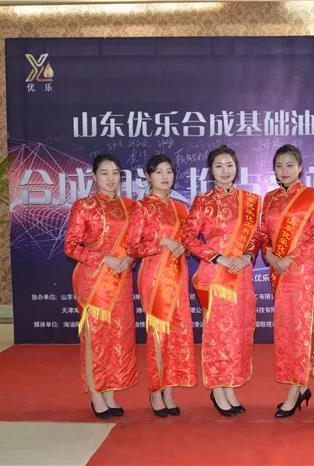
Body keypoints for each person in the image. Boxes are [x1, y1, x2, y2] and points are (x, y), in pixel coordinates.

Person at [182, 145, 260, 417]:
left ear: (236, 168)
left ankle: (231, 385)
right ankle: (217, 388)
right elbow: (188, 237)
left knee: (238, 333)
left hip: (241, 275)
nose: (225, 171)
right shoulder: (203, 201)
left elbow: (256, 237)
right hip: (215, 276)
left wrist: (248, 256)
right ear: (211, 171)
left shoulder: (249, 200)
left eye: (229, 165)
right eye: (219, 166)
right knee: (217, 334)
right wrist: (218, 258)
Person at [64, 153, 138, 419]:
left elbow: (135, 243)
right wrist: (104, 258)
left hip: (121, 280)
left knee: (117, 337)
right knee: (94, 338)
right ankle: (96, 394)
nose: (111, 178)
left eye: (115, 173)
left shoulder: (130, 206)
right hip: (93, 282)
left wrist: (130, 258)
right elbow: (70, 246)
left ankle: (110, 392)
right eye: (105, 173)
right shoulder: (84, 206)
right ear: (94, 176)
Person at [259, 144, 314, 418]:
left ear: (300, 167)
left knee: (300, 332)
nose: (284, 170)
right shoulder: (270, 198)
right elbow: (263, 234)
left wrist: (291, 258)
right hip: (278, 272)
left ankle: (296, 389)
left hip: (301, 273)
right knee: (286, 333)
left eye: (289, 164)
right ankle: (299, 385)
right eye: (279, 166)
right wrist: (270, 255)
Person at [126, 154, 197, 418]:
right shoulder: (141, 207)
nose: (165, 176)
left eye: (169, 171)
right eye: (159, 172)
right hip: (154, 277)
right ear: (148, 176)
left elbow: (188, 242)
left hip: (178, 276)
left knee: (176, 334)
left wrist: (183, 247)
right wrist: (161, 243)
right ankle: (156, 390)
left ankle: (170, 389)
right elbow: (132, 247)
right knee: (157, 333)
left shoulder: (181, 208)